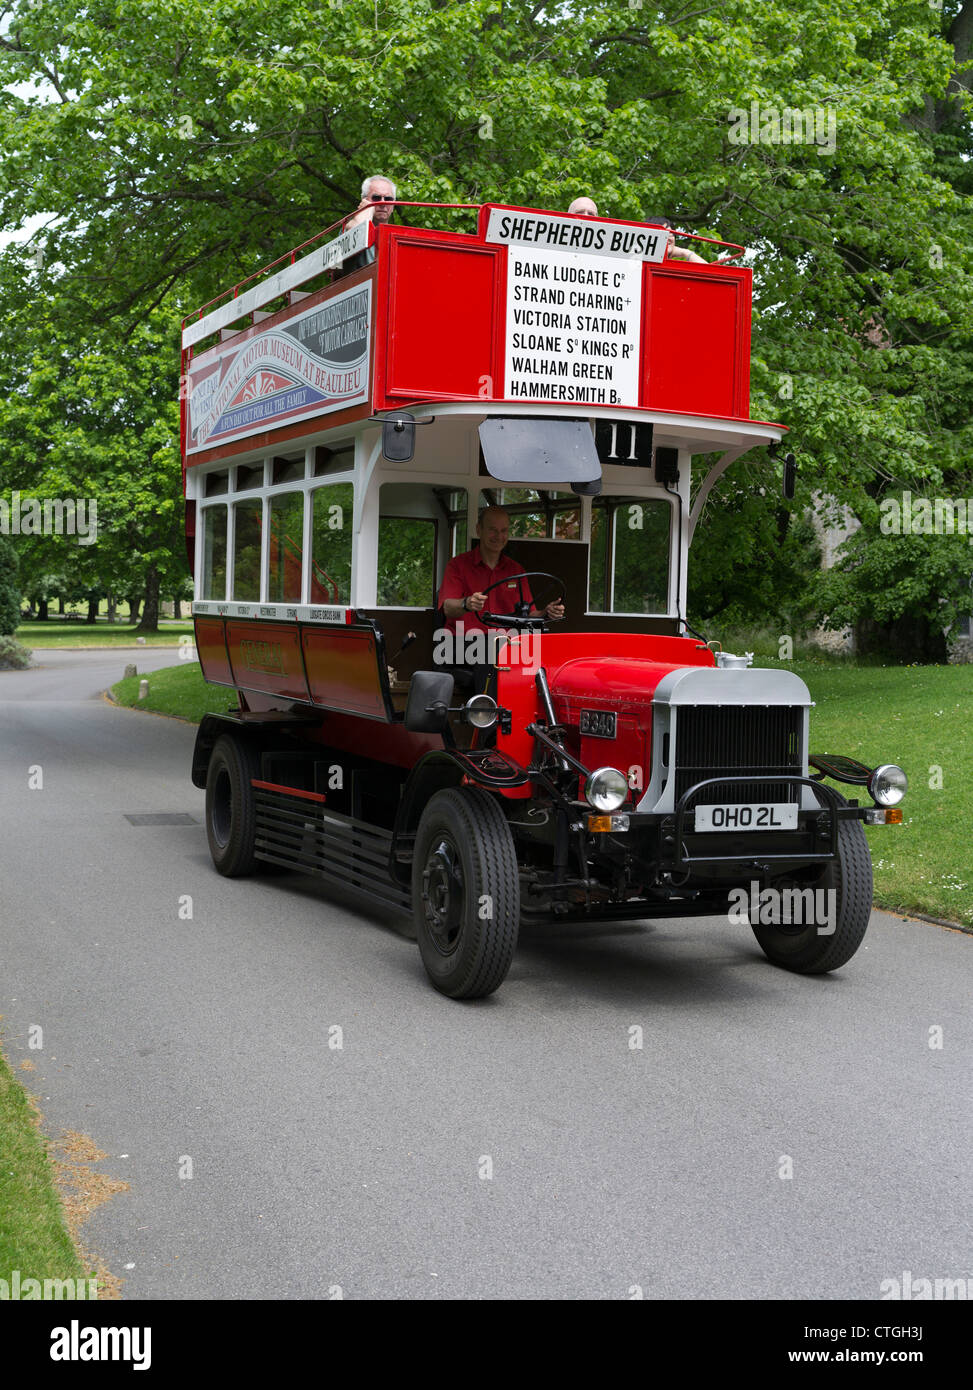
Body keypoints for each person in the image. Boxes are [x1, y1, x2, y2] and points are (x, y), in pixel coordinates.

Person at [438, 506, 565, 689]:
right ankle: (486, 714)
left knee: (538, 651)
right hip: (462, 644)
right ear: (478, 530)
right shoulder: (458, 566)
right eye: (492, 530)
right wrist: (467, 603)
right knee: (494, 651)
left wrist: (547, 612)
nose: (498, 536)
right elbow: (448, 607)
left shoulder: (516, 570)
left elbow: (529, 614)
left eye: (503, 530)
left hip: (505, 644)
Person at [340, 175, 398, 274]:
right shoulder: (350, 226)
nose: (383, 203)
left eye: (388, 199)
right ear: (364, 200)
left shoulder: (398, 237)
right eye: (376, 198)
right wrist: (365, 210)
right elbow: (354, 231)